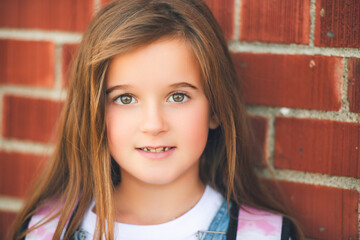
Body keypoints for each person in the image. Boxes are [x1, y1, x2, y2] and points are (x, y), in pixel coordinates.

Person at [10, 0, 304, 239]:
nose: (153, 125)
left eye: (178, 97)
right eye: (125, 99)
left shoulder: (264, 235)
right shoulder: (44, 231)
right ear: (95, 112)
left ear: (215, 108)